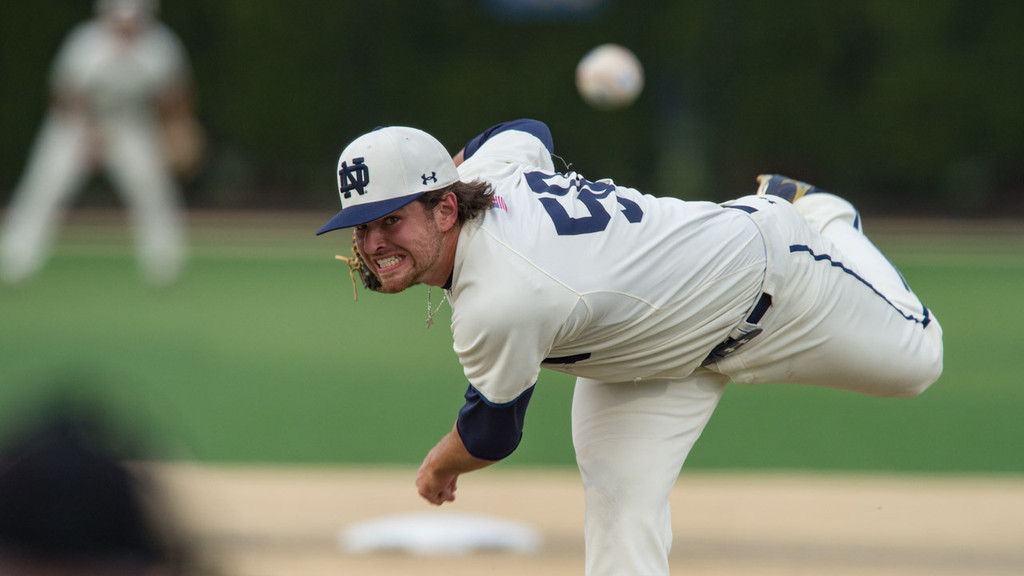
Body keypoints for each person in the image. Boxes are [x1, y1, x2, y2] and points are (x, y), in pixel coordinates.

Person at [315, 119, 943, 575]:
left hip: (770, 284)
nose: (372, 243)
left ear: (446, 210)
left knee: (920, 363)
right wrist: (449, 170)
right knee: (620, 524)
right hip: (645, 363)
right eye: (362, 225)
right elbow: (523, 129)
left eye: (392, 218)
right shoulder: (489, 177)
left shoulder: (500, 298)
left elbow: (491, 432)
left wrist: (437, 467)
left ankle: (822, 211)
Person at [1, 0, 202, 286]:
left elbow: (175, 91)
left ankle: (165, 263)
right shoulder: (86, 43)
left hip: (129, 121)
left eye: (134, 20)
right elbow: (64, 95)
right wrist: (91, 137)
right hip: (75, 122)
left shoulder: (161, 45)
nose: (127, 27)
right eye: (121, 20)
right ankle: (16, 258)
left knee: (152, 186)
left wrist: (177, 128)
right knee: (45, 183)